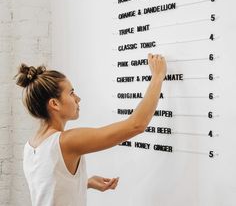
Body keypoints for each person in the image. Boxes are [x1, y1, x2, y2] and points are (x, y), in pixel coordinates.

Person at [14, 53, 167, 206]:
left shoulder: (30, 146)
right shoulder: (66, 141)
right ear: (54, 104)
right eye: (71, 93)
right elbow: (136, 125)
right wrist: (158, 76)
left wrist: (85, 183)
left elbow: (48, 188)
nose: (78, 98)